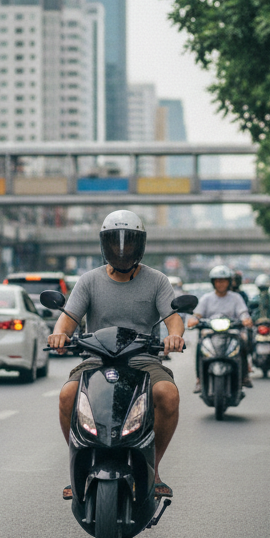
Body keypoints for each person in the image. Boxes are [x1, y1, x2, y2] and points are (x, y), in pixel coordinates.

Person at [48, 211, 185, 499]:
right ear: (104, 245)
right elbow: (68, 319)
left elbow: (173, 318)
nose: (121, 250)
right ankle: (78, 468)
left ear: (141, 245)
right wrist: (60, 333)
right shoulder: (89, 281)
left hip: (142, 358)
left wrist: (175, 336)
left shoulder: (157, 280)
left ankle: (153, 468)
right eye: (114, 243)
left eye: (129, 243)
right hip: (96, 357)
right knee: (66, 396)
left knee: (168, 394)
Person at [186, 263, 253, 392]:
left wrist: (246, 319)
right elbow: (197, 315)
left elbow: (243, 313)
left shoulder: (236, 298)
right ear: (213, 282)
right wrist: (194, 320)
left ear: (229, 282)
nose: (220, 284)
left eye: (223, 281)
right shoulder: (207, 298)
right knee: (200, 345)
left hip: (231, 331)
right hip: (210, 331)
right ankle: (199, 379)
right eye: (218, 281)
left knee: (242, 342)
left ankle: (244, 375)